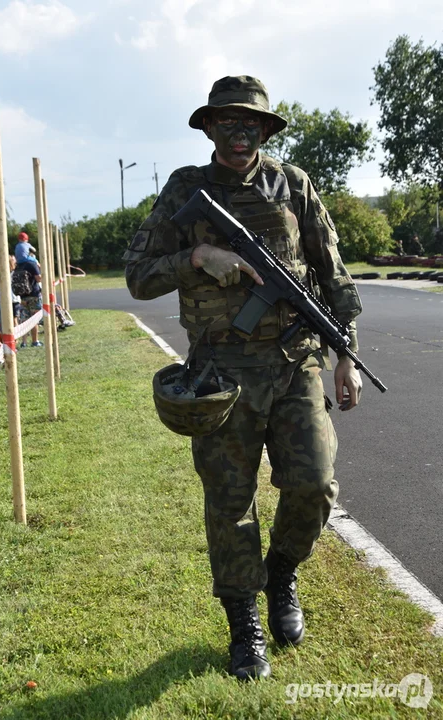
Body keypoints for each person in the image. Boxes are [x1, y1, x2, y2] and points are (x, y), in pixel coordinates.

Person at [124, 76, 363, 681]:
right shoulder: (187, 189)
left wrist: (346, 356)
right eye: (227, 122)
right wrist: (199, 257)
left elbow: (332, 277)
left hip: (295, 364)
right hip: (221, 375)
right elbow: (138, 276)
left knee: (314, 484)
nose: (239, 133)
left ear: (264, 129)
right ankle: (243, 623)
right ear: (208, 128)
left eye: (250, 123)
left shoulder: (294, 185)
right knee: (230, 506)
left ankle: (281, 576)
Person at [13, 254, 43, 348]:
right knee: (34, 319)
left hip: (22, 296)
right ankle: (35, 341)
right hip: (33, 295)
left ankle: (24, 342)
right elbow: (38, 278)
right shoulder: (32, 264)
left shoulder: (18, 265)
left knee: (24, 319)